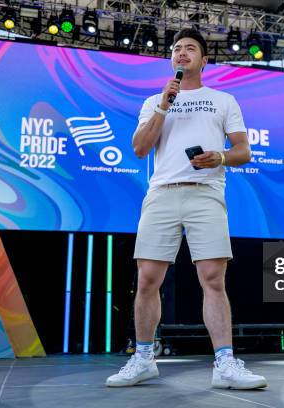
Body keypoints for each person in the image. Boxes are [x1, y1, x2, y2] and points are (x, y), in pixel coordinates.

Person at [106, 28, 267, 390]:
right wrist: (164, 105)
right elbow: (139, 148)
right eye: (177, 49)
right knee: (147, 279)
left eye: (190, 48)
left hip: (206, 192)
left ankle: (225, 363)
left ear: (204, 60)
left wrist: (221, 156)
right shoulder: (154, 101)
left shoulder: (223, 100)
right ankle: (144, 358)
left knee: (212, 278)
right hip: (162, 193)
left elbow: (244, 151)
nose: (181, 53)